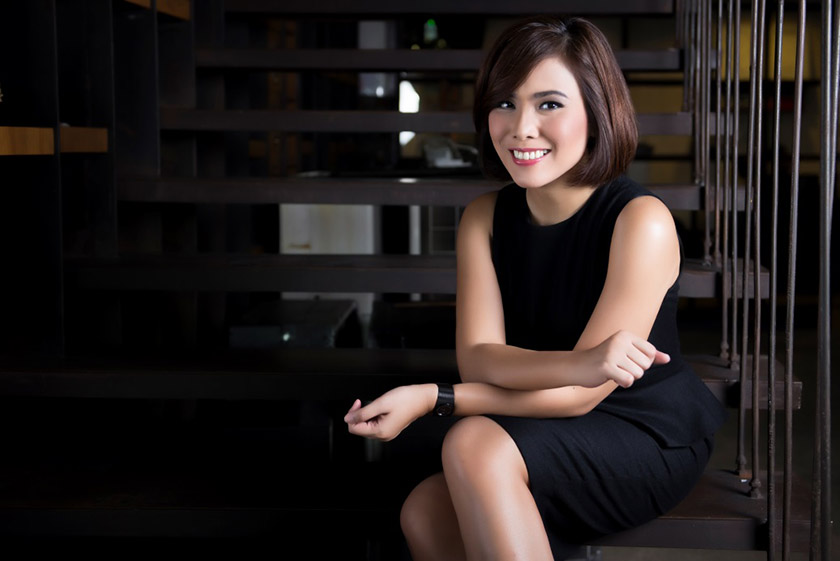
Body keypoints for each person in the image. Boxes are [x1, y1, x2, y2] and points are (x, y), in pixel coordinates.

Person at [344, 16, 726, 561]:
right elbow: (479, 360)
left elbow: (581, 396)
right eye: (504, 103)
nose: (521, 127)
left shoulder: (642, 221)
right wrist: (583, 361)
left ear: (597, 113)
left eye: (549, 104)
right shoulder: (483, 218)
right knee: (423, 511)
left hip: (640, 430)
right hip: (532, 418)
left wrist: (437, 398)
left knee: (472, 442)